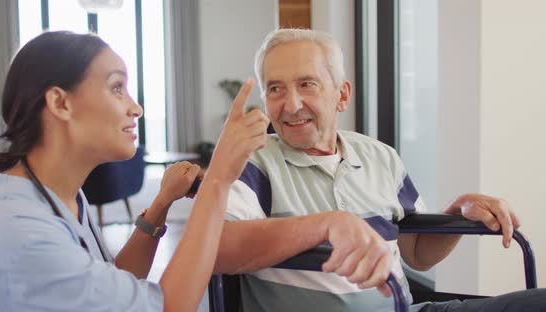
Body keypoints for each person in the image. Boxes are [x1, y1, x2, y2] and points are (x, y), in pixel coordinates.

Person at [214, 28, 546, 311]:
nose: (291, 104)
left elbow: (417, 255)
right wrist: (326, 224)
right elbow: (216, 249)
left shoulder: (380, 157)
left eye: (307, 84)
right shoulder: (251, 161)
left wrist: (459, 213)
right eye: (275, 89)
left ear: (341, 95)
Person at [0, 31, 268, 311]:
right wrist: (217, 179)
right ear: (60, 103)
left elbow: (113, 284)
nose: (136, 108)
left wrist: (160, 205)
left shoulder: (56, 192)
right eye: (117, 88)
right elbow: (170, 307)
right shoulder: (22, 232)